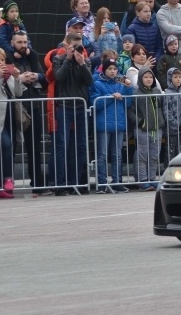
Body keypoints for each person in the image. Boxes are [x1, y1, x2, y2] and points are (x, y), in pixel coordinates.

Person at [5, 31, 49, 193]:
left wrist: (36, 76)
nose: (23, 45)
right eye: (20, 42)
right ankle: (7, 183)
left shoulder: (33, 56)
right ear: (12, 43)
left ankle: (37, 184)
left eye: (25, 42)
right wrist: (19, 78)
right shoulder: (7, 56)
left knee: (34, 147)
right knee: (10, 146)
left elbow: (44, 79)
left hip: (33, 107)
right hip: (13, 107)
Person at [51, 33, 94, 195]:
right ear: (66, 45)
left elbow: (89, 82)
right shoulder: (59, 59)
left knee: (81, 145)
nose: (78, 48)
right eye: (74, 45)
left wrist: (82, 64)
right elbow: (59, 78)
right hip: (64, 106)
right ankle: (61, 184)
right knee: (63, 145)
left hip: (81, 107)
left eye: (80, 45)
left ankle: (76, 183)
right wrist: (68, 59)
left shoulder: (86, 61)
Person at [89, 55, 134, 193]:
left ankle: (117, 181)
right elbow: (95, 103)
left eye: (115, 69)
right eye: (110, 69)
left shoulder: (121, 84)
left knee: (118, 154)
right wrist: (111, 97)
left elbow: (127, 103)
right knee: (102, 154)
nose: (113, 71)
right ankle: (102, 183)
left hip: (119, 123)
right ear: (104, 70)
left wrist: (127, 89)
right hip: (103, 125)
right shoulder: (97, 84)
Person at [0, 47, 22, 199]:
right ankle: (4, 181)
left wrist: (16, 78)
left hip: (8, 117)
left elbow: (18, 93)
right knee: (4, 146)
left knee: (5, 149)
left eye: (2, 60)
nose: (1, 62)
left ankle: (2, 185)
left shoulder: (7, 75)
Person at [128, 66, 164, 190]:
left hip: (156, 129)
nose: (148, 79)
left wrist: (161, 122)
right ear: (140, 78)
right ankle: (142, 179)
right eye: (145, 77)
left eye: (150, 77)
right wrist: (140, 122)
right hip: (142, 129)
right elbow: (131, 112)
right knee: (142, 154)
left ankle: (152, 178)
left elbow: (161, 107)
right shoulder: (136, 93)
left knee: (154, 155)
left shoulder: (157, 91)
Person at [162, 66, 181, 163]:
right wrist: (177, 125)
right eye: (175, 77)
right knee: (170, 153)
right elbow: (167, 113)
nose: (178, 79)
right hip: (172, 129)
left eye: (179, 77)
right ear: (169, 78)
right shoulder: (167, 92)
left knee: (180, 152)